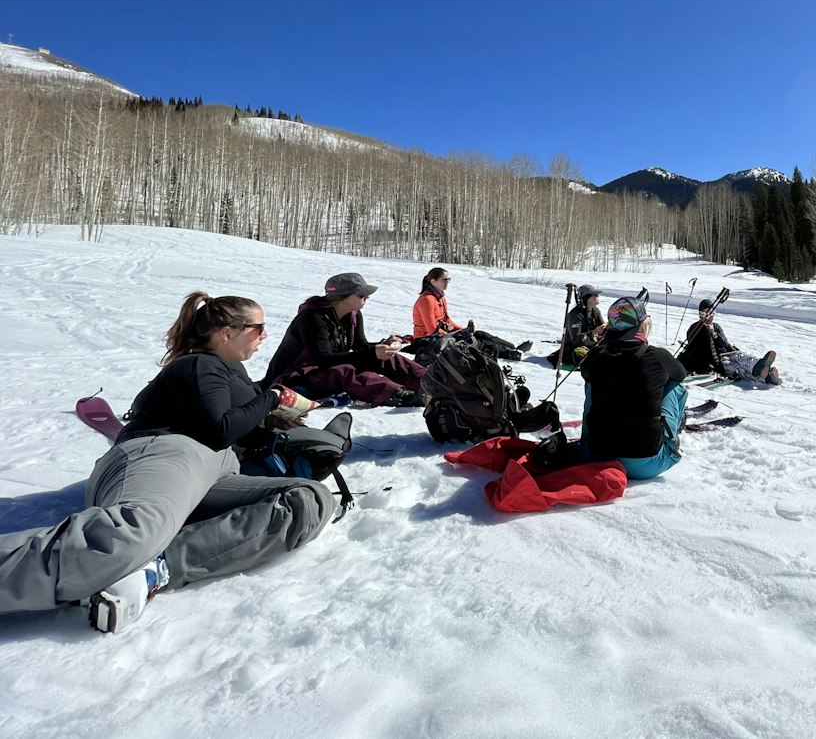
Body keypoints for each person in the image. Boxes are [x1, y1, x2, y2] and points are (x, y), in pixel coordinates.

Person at [0, 291, 334, 633]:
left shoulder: (233, 370)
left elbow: (236, 429)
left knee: (308, 500)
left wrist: (272, 422)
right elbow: (219, 429)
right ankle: (127, 555)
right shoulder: (199, 365)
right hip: (164, 452)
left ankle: (157, 566)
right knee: (129, 532)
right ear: (227, 332)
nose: (264, 336)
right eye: (258, 328)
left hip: (216, 471)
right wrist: (273, 398)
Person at [263, 272, 427, 406]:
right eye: (362, 294)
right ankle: (399, 395)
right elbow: (323, 359)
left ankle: (429, 381)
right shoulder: (313, 317)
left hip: (324, 369)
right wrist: (372, 353)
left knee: (386, 357)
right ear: (343, 297)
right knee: (344, 370)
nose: (366, 298)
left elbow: (359, 346)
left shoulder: (353, 315)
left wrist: (382, 346)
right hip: (296, 376)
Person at [577, 297, 688, 479]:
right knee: (674, 385)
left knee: (592, 383)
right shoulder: (657, 356)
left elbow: (586, 372)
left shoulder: (595, 356)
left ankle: (588, 440)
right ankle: (671, 436)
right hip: (646, 462)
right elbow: (680, 373)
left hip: (597, 456)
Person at [410, 267, 531, 363]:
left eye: (448, 280)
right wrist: (455, 333)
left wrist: (462, 329)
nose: (447, 283)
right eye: (444, 280)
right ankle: (508, 353)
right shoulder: (427, 299)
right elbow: (432, 329)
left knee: (479, 334)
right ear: (433, 281)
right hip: (425, 339)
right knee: (473, 341)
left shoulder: (440, 297)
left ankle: (512, 347)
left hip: (439, 335)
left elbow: (447, 320)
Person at [677, 298, 781, 384]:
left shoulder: (716, 327)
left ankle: (759, 365)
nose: (708, 317)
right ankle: (766, 377)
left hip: (726, 353)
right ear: (700, 314)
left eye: (711, 313)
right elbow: (695, 347)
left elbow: (725, 343)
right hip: (714, 360)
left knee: (740, 356)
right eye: (704, 314)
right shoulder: (695, 328)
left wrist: (714, 334)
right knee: (738, 369)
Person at [547, 284, 605, 369]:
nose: (598, 296)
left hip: (589, 345)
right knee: (582, 355)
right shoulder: (576, 315)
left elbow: (601, 329)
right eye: (595, 295)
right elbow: (575, 339)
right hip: (572, 349)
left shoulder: (595, 311)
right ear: (587, 298)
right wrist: (594, 332)